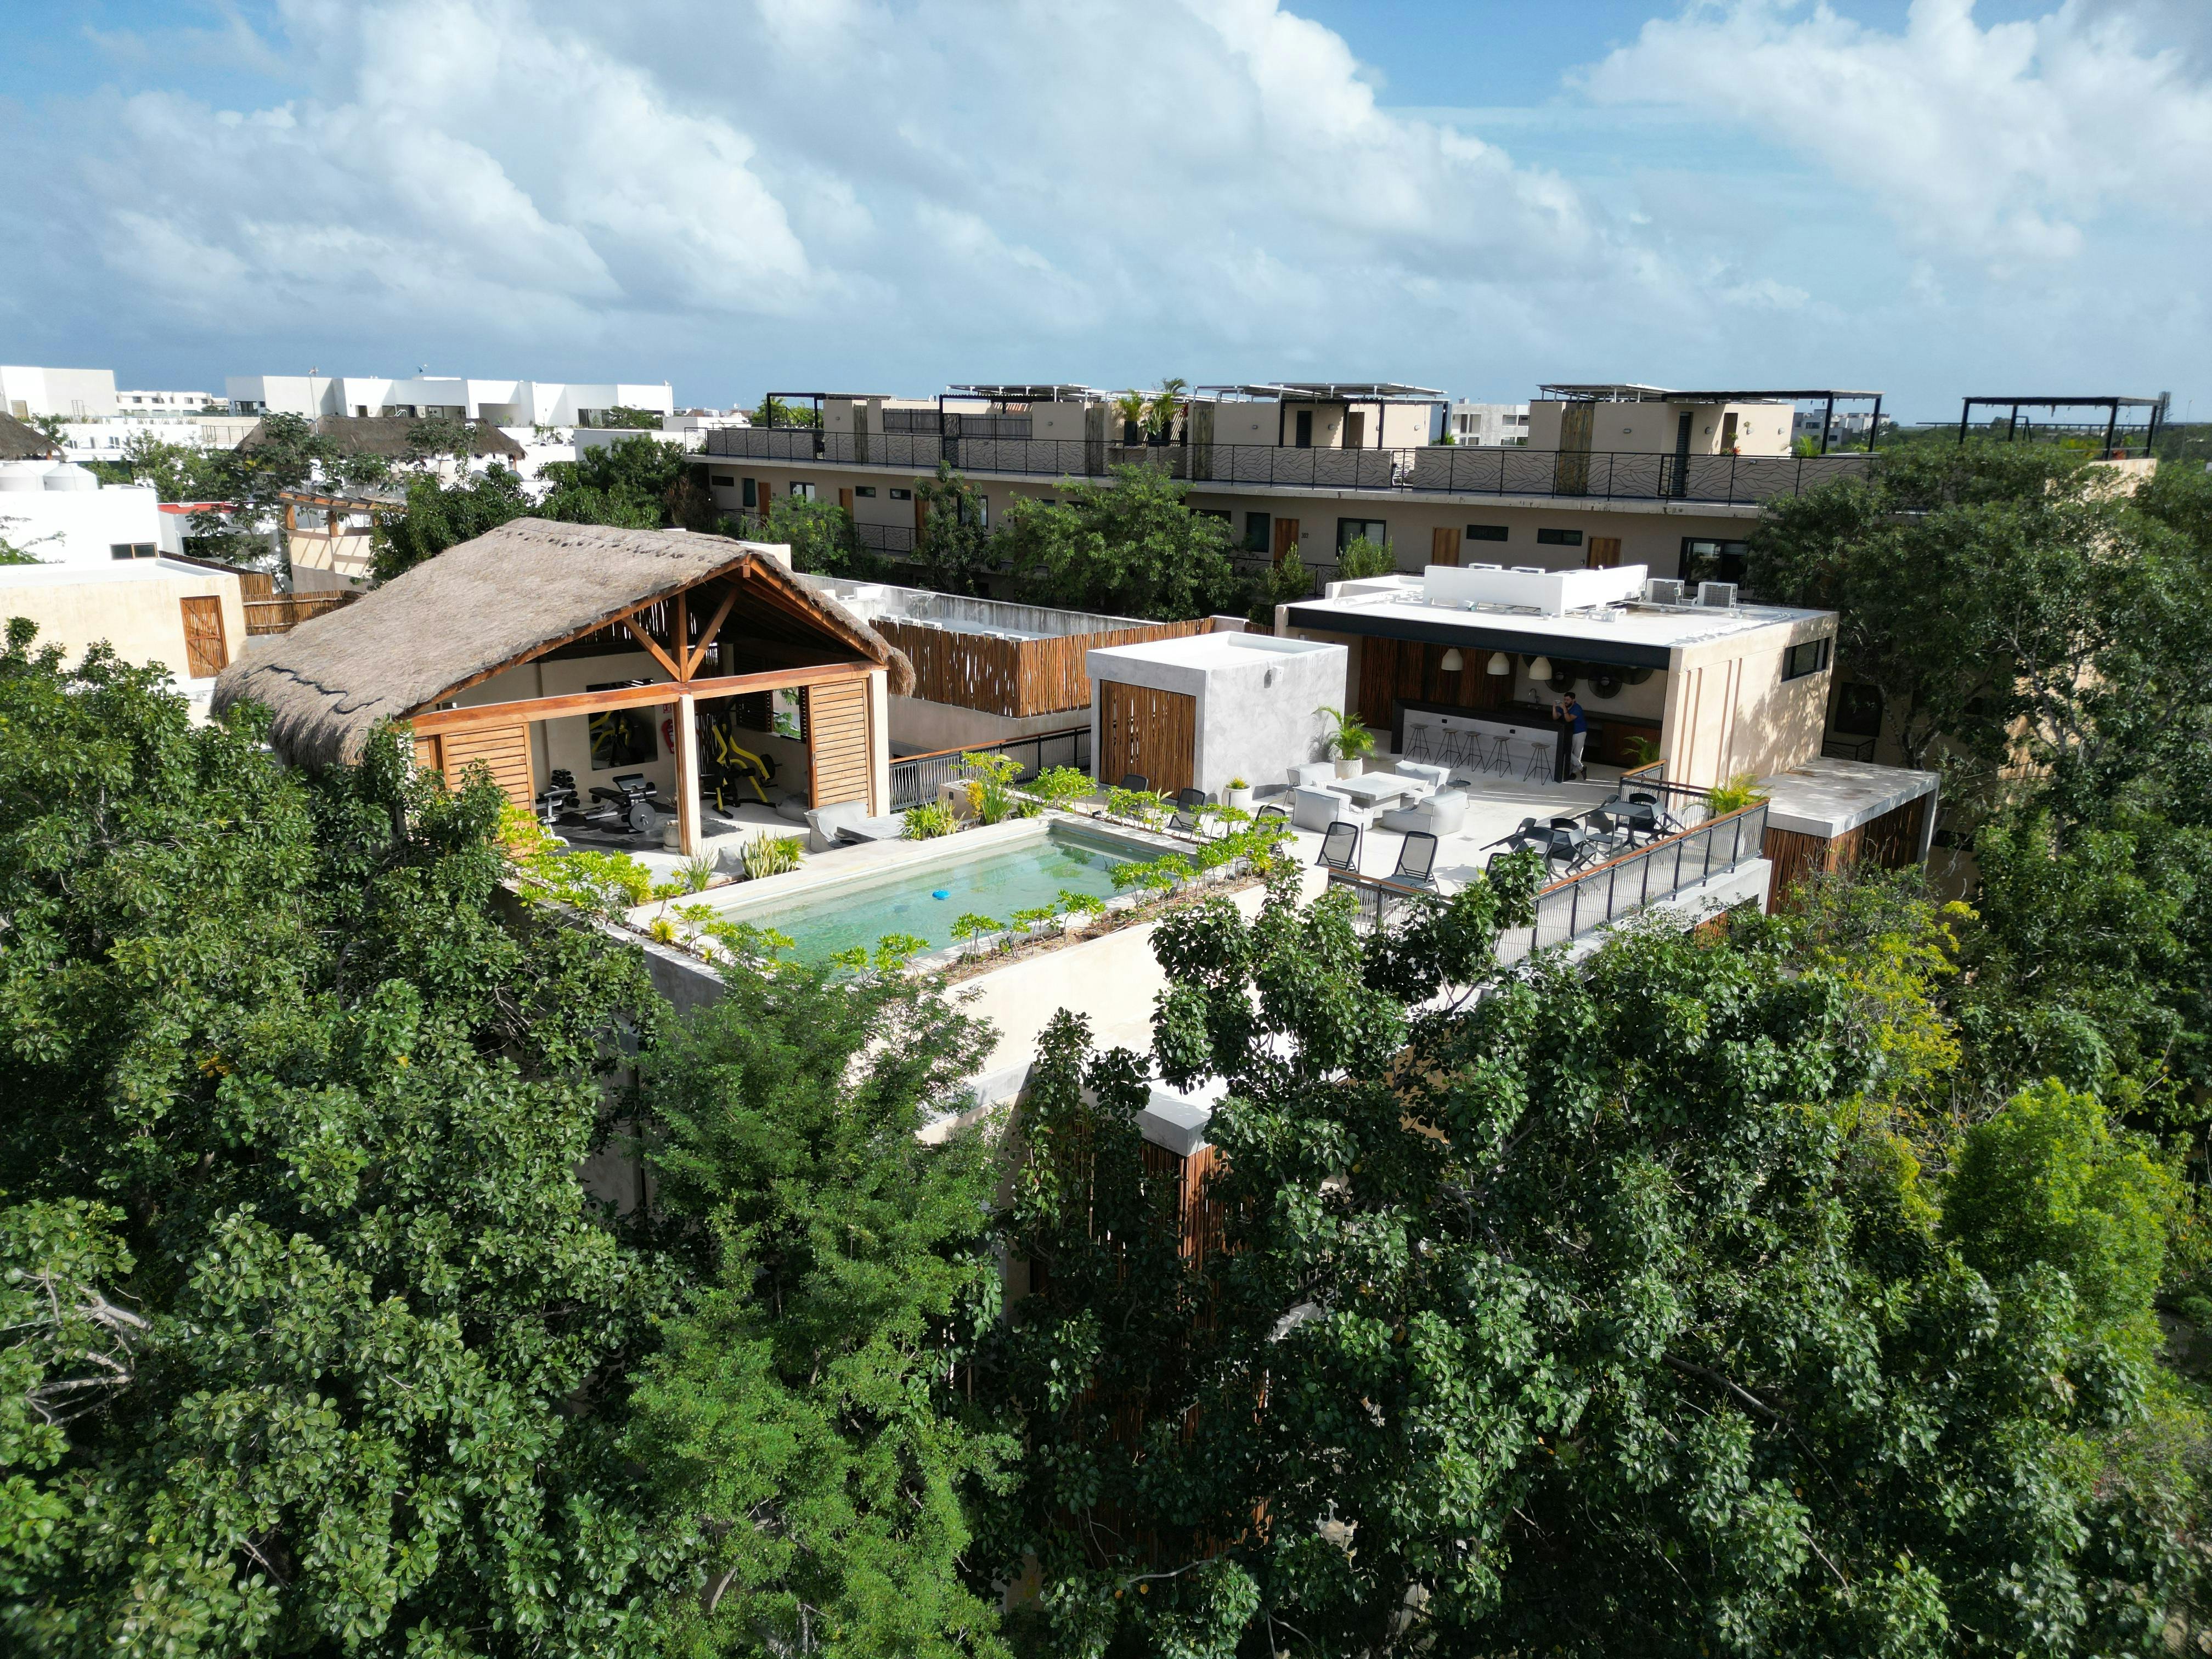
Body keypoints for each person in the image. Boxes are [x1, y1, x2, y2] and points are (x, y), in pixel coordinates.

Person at [1552, 692, 1589, 780]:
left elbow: (1568, 719)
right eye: (1565, 699)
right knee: (1567, 751)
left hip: (1580, 732)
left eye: (1568, 700)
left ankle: (1573, 773)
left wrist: (1564, 708)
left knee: (1577, 754)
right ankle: (1582, 768)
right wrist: (1554, 707)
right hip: (1570, 733)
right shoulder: (1564, 707)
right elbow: (1555, 717)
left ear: (1573, 700)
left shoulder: (1577, 708)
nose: (1566, 701)